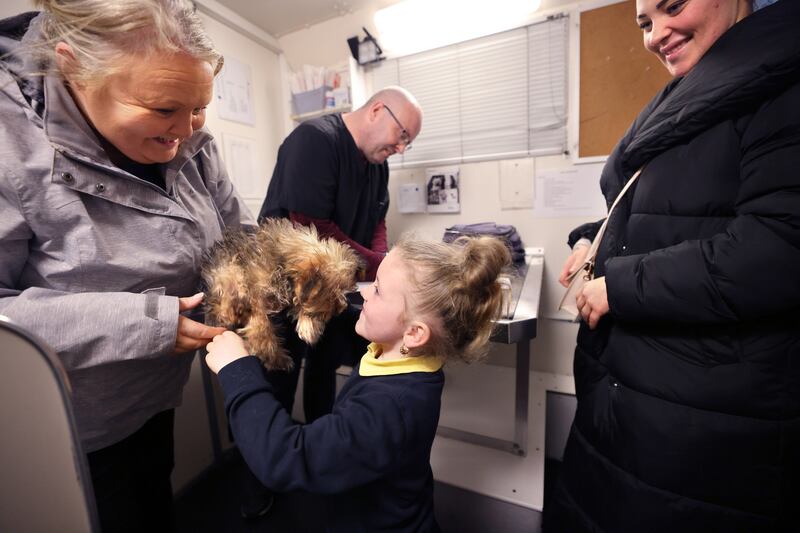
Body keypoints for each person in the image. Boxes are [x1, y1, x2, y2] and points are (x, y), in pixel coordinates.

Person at [0, 2, 254, 531]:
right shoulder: (10, 146)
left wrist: (262, 272)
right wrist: (143, 324)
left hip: (154, 398)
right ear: (72, 67)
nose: (184, 130)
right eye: (164, 109)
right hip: (71, 429)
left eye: (198, 108)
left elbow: (236, 231)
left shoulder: (186, 132)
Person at [546, 0, 799, 530]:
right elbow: (670, 216)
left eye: (672, 7)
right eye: (643, 22)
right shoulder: (706, 90)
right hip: (635, 394)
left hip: (703, 413)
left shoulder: (781, 86)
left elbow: (777, 247)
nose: (655, 34)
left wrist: (617, 286)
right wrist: (594, 241)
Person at [205, 235, 511, 532]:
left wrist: (238, 370)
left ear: (415, 333)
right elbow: (345, 318)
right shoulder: (402, 355)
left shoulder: (389, 409)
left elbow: (287, 458)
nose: (363, 292)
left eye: (377, 290)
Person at [239, 87, 423, 518]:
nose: (399, 148)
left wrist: (379, 263)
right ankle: (258, 485)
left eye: (407, 143)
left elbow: (377, 222)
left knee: (325, 374)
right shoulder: (315, 141)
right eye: (400, 136)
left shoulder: (377, 164)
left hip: (334, 292)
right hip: (285, 290)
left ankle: (323, 465)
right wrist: (376, 263)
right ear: (378, 109)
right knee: (276, 386)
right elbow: (311, 228)